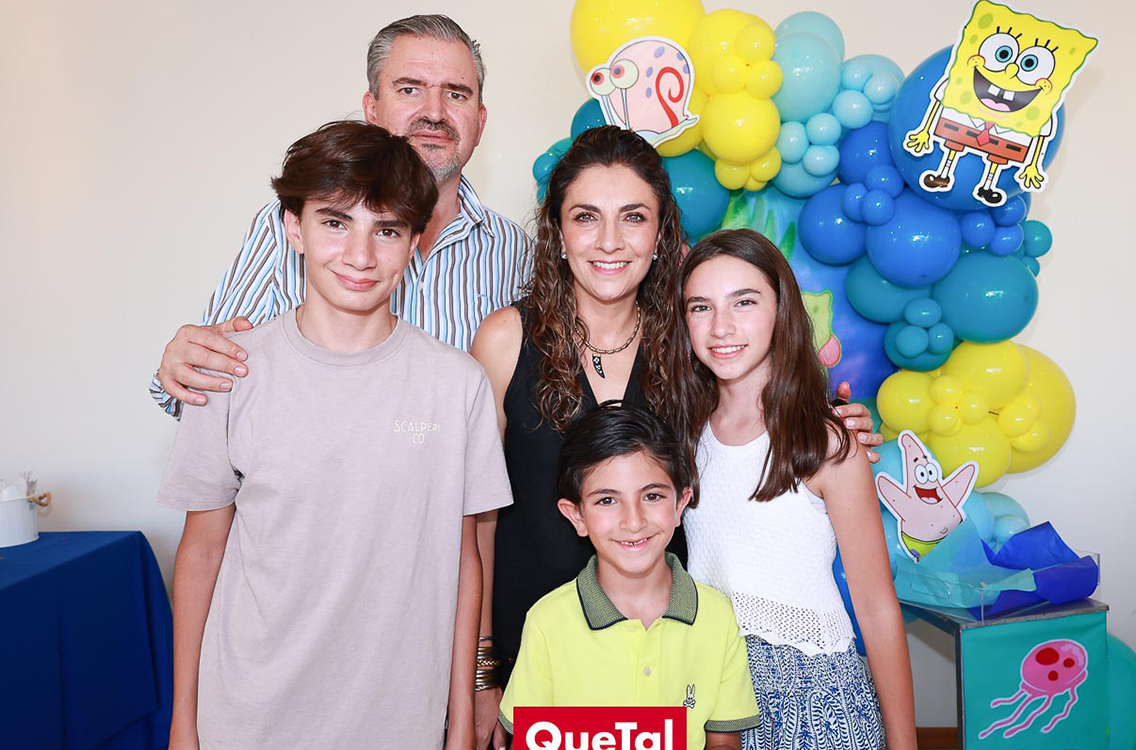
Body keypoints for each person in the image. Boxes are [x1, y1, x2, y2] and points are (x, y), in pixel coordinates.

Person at [470, 126, 882, 748]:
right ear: (556, 231)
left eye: (633, 217)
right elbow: (477, 519)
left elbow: (759, 415)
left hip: (669, 675)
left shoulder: (689, 347)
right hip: (536, 665)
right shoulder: (505, 340)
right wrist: (483, 670)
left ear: (662, 234)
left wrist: (834, 422)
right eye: (586, 216)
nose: (610, 241)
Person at [157, 121, 511, 750]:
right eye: (335, 222)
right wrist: (184, 721)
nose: (360, 255)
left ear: (414, 241)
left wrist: (459, 723)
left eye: (387, 230)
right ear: (293, 227)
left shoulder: (457, 384)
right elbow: (202, 553)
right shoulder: (229, 370)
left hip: (400, 721)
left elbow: (463, 561)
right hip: (249, 718)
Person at [150, 14, 526, 417]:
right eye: (410, 89)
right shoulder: (287, 224)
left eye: (456, 94)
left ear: (479, 122)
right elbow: (206, 388)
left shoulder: (515, 251)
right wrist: (185, 364)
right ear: (372, 109)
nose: (434, 112)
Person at [678, 229, 917, 750]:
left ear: (781, 310)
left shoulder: (826, 441)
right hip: (711, 693)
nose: (721, 326)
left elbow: (876, 606)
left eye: (744, 302)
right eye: (700, 307)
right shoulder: (683, 435)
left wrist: (904, 743)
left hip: (812, 698)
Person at [499, 402, 761, 750]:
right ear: (576, 515)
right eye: (607, 500)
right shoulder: (547, 622)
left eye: (652, 496)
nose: (634, 521)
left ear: (680, 504)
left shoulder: (716, 617)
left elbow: (724, 741)